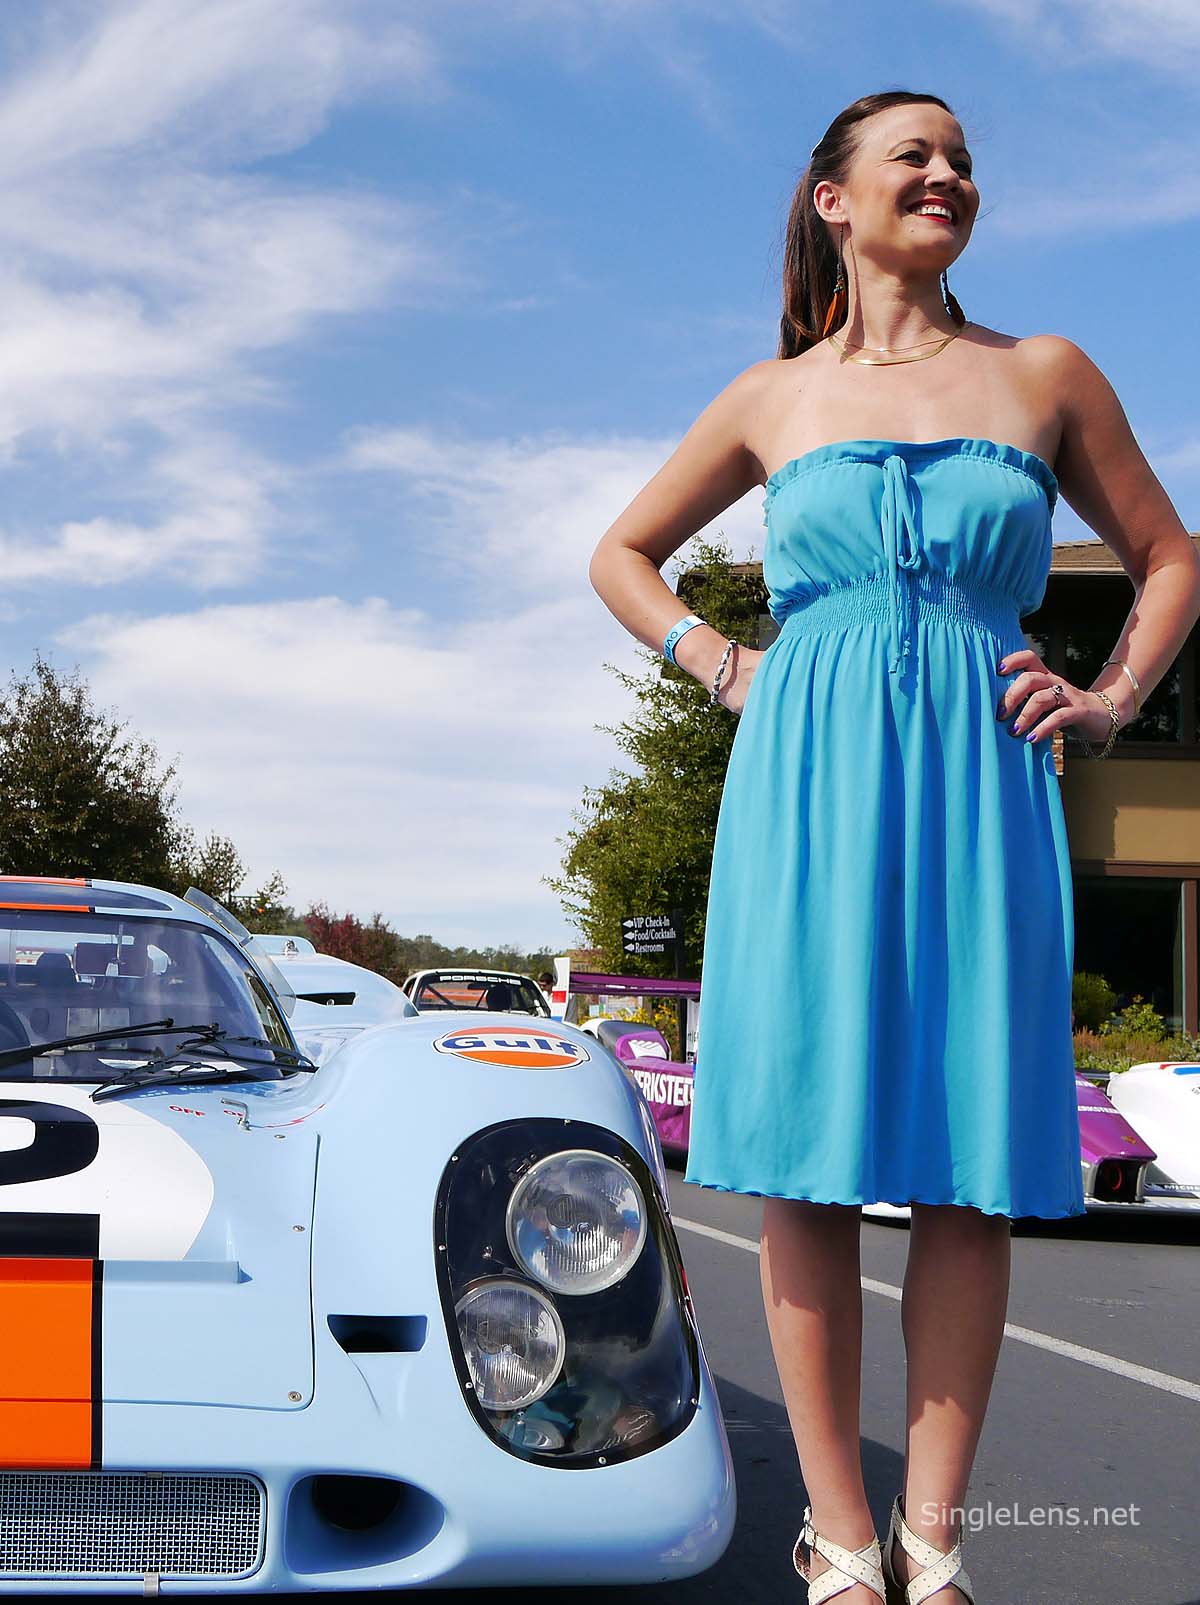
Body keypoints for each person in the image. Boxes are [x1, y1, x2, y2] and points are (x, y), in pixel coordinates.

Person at [588, 89, 1200, 1604]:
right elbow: (621, 553)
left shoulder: (1045, 373)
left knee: (969, 1163)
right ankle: (839, 1538)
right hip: (809, 781)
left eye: (963, 159)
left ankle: (933, 1544)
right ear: (833, 200)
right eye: (913, 155)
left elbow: (1170, 555)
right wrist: (723, 665)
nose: (947, 174)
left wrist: (1113, 698)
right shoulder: (771, 397)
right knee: (804, 1160)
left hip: (984, 780)